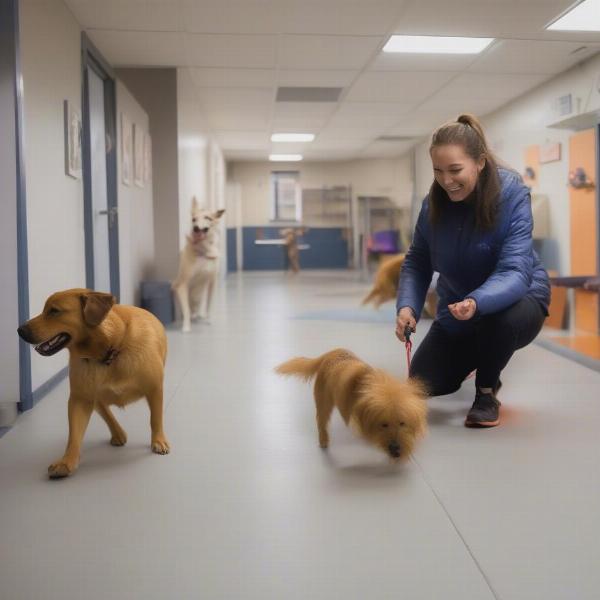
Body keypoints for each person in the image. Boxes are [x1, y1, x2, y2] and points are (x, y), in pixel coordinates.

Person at [395, 114, 550, 428]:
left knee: (498, 320)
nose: (446, 180)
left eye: (455, 170)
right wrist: (407, 306)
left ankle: (486, 391)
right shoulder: (432, 204)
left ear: (480, 162)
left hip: (519, 300)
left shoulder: (512, 195)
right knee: (424, 382)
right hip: (459, 305)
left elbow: (515, 272)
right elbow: (418, 261)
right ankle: (482, 354)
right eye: (438, 171)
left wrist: (478, 301)